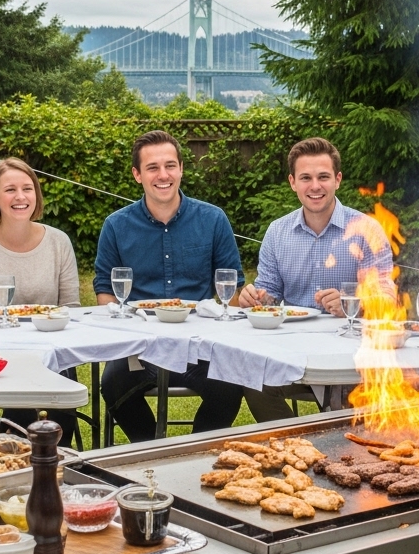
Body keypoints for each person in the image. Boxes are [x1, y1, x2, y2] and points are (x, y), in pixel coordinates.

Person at [94, 131, 245, 441]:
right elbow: (104, 290)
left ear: (181, 170)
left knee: (231, 381)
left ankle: (194, 453)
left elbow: (234, 288)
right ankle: (151, 451)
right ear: (137, 174)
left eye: (170, 165)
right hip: (140, 347)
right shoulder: (117, 225)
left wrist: (242, 301)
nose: (163, 175)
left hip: (200, 344)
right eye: (152, 168)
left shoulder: (213, 220)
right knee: (113, 384)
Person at [237, 137, 393, 422]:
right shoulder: (277, 232)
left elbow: (388, 297)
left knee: (353, 418)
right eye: (306, 178)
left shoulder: (367, 229)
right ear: (293, 182)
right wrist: (256, 298)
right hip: (294, 348)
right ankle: (295, 441)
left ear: (338, 179)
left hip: (352, 352)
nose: (315, 186)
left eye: (323, 177)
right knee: (254, 377)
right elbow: (269, 292)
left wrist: (353, 302)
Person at [0, 157, 81, 441]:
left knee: (63, 401)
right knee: (24, 400)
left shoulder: (59, 242)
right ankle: (14, 458)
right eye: (10, 189)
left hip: (53, 351)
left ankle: (55, 469)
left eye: (28, 188)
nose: (21, 197)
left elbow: (72, 309)